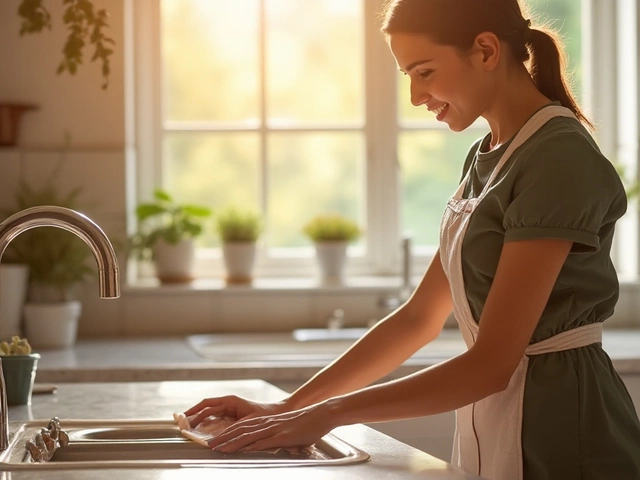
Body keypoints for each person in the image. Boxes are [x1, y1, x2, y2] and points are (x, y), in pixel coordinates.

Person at [183, 1, 640, 478]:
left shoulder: (558, 157)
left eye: (424, 72)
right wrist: (286, 408)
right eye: (408, 75)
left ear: (485, 50)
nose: (416, 96)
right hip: (499, 419)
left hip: (567, 431)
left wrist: (328, 415)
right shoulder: (487, 157)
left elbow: (491, 364)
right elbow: (418, 319)